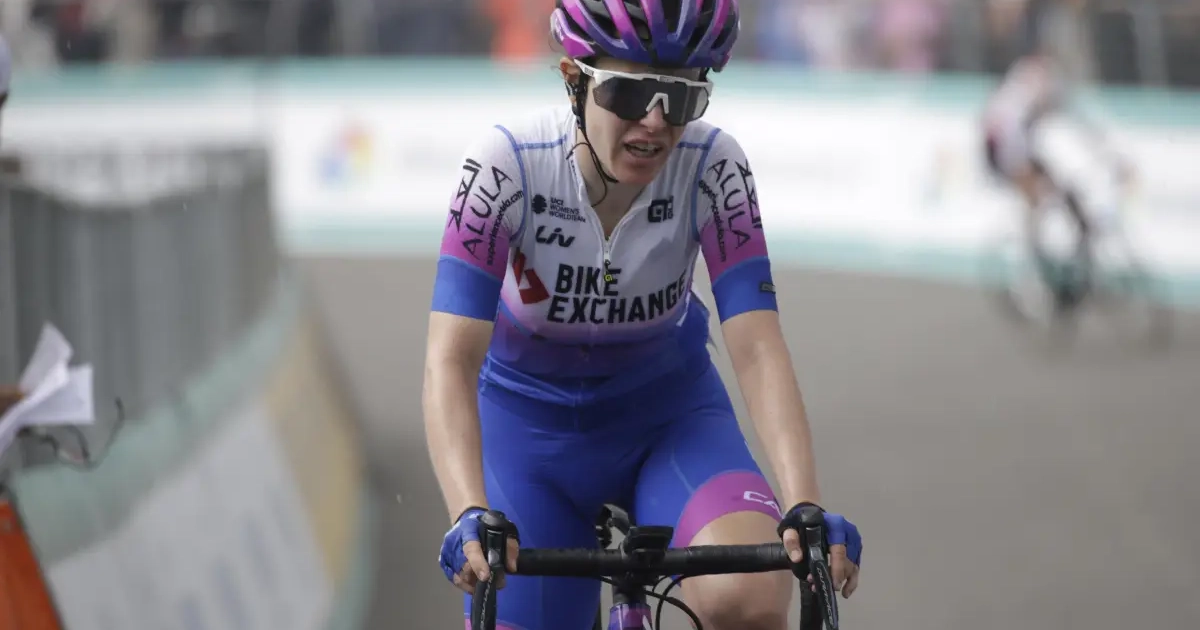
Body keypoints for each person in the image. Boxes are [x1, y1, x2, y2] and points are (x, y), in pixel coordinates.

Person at [425, 1, 863, 628]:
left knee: (751, 597)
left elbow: (758, 347)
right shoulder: (507, 166)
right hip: (526, 437)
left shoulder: (714, 166)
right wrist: (468, 511)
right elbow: (450, 360)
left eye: (682, 99)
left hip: (669, 424)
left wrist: (805, 505)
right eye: (629, 93)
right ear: (574, 79)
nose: (655, 122)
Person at [981, 3, 1130, 315]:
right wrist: (1022, 170)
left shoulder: (1047, 76)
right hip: (1003, 143)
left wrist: (1110, 157)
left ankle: (1069, 265)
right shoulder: (1036, 76)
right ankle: (1032, 278)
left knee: (1070, 199)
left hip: (1018, 141)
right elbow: (1006, 125)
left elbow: (1079, 126)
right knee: (1039, 201)